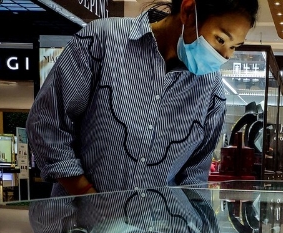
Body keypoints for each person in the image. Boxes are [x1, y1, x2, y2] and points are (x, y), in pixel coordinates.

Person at [28, 0, 257, 196]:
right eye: (220, 40)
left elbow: (194, 177)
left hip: (159, 230)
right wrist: (89, 198)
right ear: (188, 11)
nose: (225, 55)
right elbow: (48, 124)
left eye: (234, 47)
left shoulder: (211, 89)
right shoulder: (102, 40)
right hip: (80, 225)